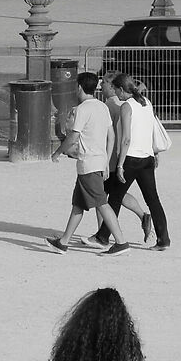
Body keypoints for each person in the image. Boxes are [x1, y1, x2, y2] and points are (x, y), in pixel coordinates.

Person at [49, 72, 131, 253]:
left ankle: (121, 242)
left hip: (88, 164)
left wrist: (57, 153)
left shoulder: (83, 109)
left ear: (79, 87)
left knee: (102, 203)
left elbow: (73, 137)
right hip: (98, 162)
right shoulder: (102, 106)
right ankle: (63, 242)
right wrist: (107, 160)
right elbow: (111, 136)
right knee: (78, 204)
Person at [106, 76, 173, 250]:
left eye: (115, 89)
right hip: (147, 158)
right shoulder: (146, 102)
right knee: (153, 200)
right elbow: (150, 129)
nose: (114, 93)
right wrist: (155, 152)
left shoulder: (127, 106)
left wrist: (120, 165)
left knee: (114, 197)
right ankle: (163, 239)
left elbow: (126, 138)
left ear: (121, 89)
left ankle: (102, 236)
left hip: (131, 159)